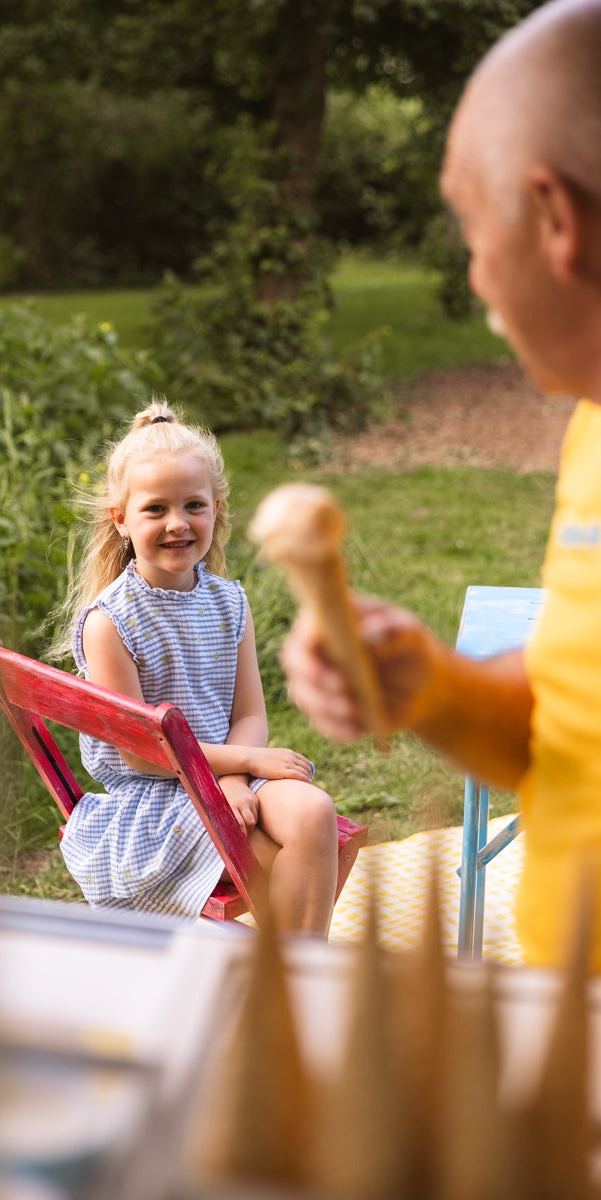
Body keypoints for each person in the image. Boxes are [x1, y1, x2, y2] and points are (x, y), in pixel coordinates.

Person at [280, 0, 601, 969]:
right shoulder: (590, 423)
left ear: (552, 218)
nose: (472, 277)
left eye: (471, 228)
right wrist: (432, 684)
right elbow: (565, 720)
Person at [51, 397, 340, 934]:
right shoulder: (111, 622)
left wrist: (234, 774)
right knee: (283, 871)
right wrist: (236, 769)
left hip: (224, 773)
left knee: (313, 814)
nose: (177, 523)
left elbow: (250, 711)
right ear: (121, 521)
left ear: (216, 510)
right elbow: (143, 755)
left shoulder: (229, 603)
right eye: (155, 509)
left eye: (194, 506)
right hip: (160, 797)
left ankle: (303, 978)